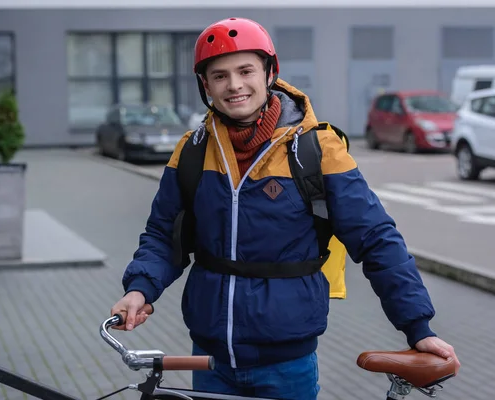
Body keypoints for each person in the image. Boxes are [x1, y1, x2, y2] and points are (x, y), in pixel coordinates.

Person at [110, 17, 460, 400]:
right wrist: (140, 289)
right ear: (205, 85)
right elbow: (164, 235)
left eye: (246, 71)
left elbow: (377, 239)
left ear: (270, 73)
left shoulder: (317, 149)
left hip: (286, 362)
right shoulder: (191, 151)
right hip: (209, 358)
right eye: (220, 75)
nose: (235, 85)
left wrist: (418, 327)